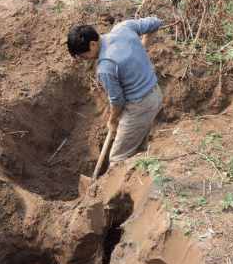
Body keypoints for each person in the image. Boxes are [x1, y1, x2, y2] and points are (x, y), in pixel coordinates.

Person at [67, 17, 164, 164]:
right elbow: (155, 23)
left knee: (117, 158)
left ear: (92, 44)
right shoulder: (123, 28)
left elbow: (118, 101)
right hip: (156, 94)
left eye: (83, 56)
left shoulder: (106, 66)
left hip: (140, 106)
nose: (84, 59)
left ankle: (119, 185)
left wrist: (112, 121)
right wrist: (142, 47)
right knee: (137, 146)